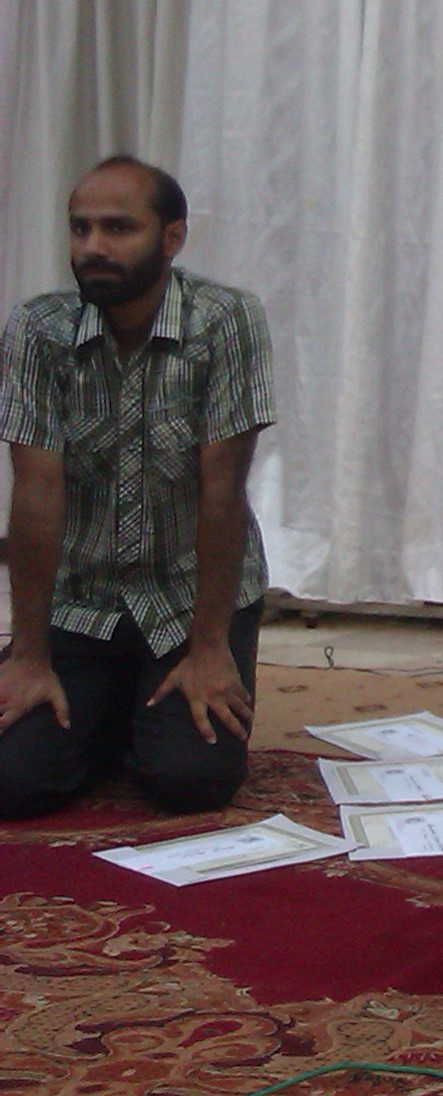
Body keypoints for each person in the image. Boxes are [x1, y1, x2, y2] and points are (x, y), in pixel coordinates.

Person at [0, 158, 274, 821]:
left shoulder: (225, 321)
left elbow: (223, 493)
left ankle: (125, 713)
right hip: (80, 604)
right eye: (81, 228)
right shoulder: (39, 328)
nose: (94, 246)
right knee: (14, 782)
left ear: (172, 236)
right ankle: (105, 709)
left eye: (118, 228)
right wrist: (29, 655)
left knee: (189, 781)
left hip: (188, 605)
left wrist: (210, 649)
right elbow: (34, 495)